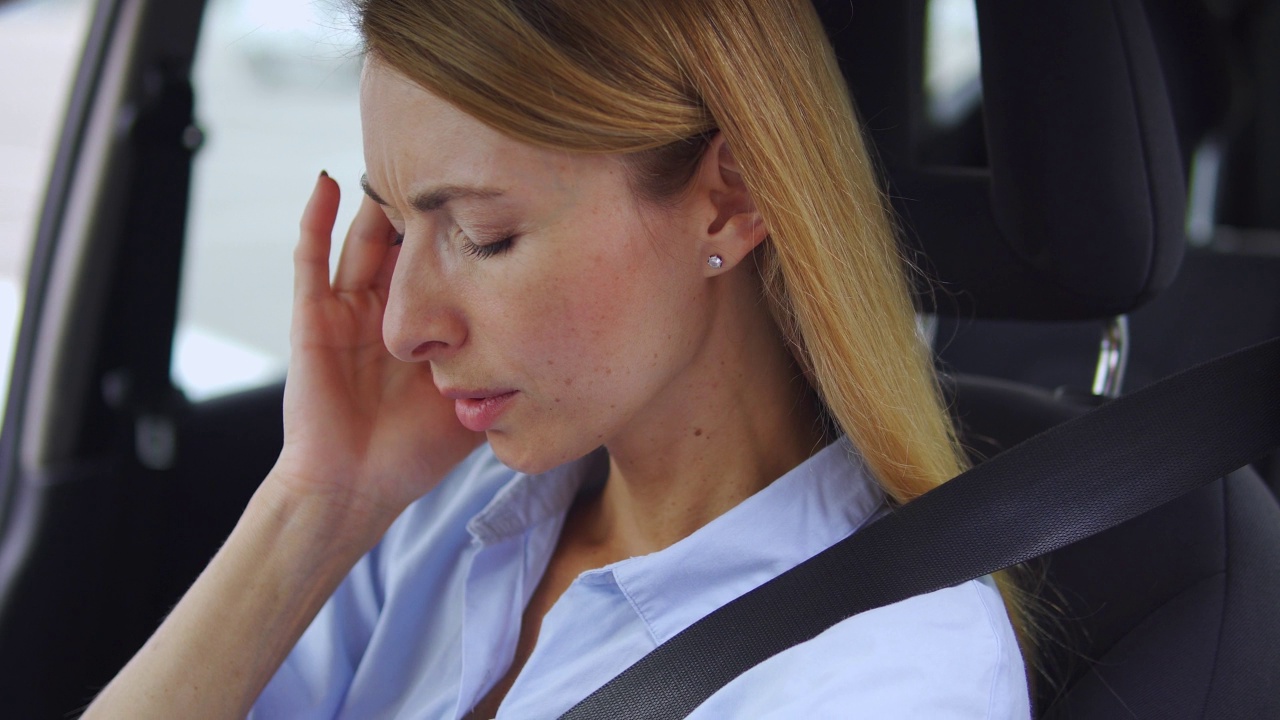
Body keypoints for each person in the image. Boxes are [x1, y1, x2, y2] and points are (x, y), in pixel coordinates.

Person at [84, 0, 1030, 717]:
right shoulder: (437, 522)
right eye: (399, 222)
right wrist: (316, 506)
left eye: (485, 235)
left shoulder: (890, 670)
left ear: (730, 198)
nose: (401, 324)